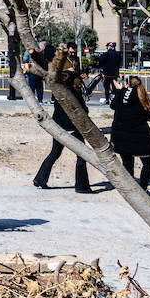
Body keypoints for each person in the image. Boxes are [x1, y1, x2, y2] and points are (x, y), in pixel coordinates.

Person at [32, 49, 92, 193]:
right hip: (72, 127)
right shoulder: (74, 94)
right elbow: (84, 111)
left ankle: (40, 179)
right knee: (81, 155)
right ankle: (82, 186)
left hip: (58, 126)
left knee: (55, 153)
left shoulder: (57, 92)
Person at [110, 74, 150, 195]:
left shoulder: (120, 93)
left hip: (121, 137)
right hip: (140, 138)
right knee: (148, 162)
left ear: (126, 84)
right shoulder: (141, 95)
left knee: (127, 162)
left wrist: (119, 91)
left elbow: (112, 105)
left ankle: (130, 190)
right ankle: (143, 188)